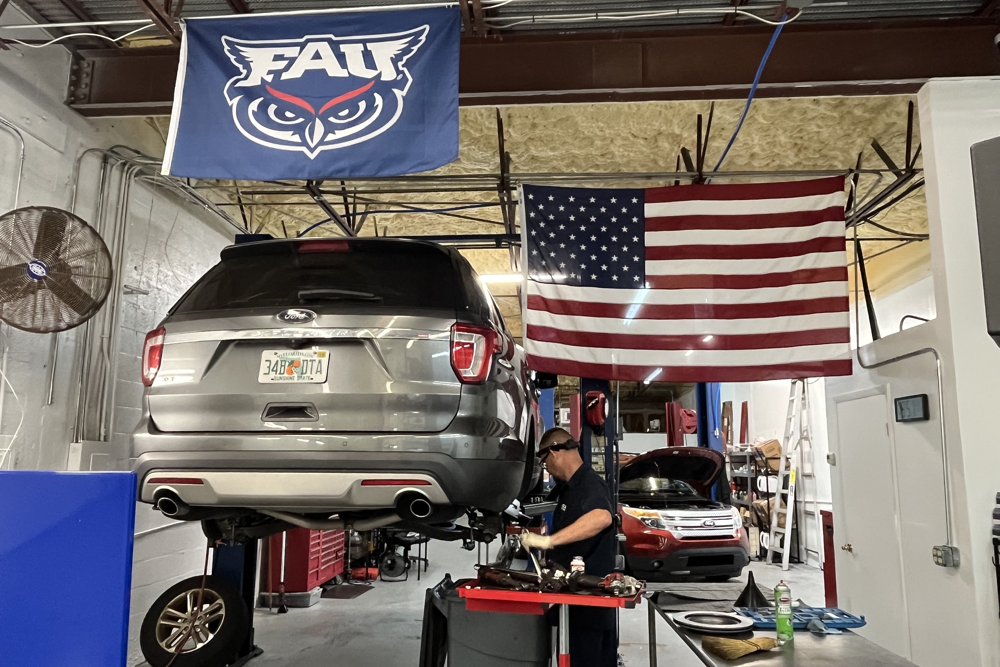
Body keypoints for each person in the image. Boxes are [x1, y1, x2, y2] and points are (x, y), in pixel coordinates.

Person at [521, 426, 618, 667]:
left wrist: (549, 541)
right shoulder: (568, 487)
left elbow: (602, 518)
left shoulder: (589, 483)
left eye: (544, 462)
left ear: (554, 452)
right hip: (574, 599)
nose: (547, 469)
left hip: (588, 604)